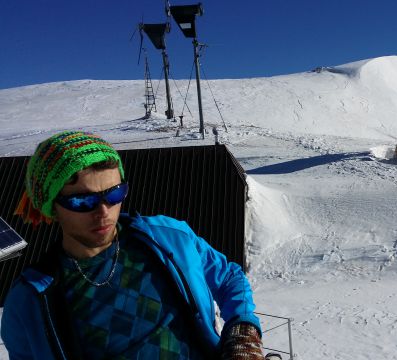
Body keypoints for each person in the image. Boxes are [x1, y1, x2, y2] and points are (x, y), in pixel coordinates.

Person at [1, 131, 264, 359]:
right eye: (83, 201)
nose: (104, 212)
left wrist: (243, 331)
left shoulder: (169, 237)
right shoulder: (28, 303)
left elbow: (229, 276)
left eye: (114, 194)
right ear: (51, 206)